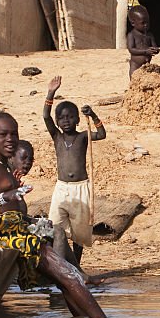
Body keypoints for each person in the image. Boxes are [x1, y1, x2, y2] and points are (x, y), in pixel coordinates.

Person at [0, 111, 106, 318]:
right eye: (3, 135)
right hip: (10, 236)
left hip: (19, 231)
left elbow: (15, 208)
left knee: (68, 280)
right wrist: (6, 196)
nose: (10, 140)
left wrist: (16, 195)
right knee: (69, 277)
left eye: (14, 134)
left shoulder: (4, 166)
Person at [43, 76, 105, 267]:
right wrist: (51, 93)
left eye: (70, 116)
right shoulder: (57, 137)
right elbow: (46, 116)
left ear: (78, 119)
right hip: (62, 188)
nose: (66, 121)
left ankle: (75, 266)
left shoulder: (82, 137)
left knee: (79, 232)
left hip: (81, 188)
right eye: (61, 118)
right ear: (57, 122)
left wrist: (93, 115)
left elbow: (102, 134)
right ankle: (58, 263)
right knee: (54, 225)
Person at [127, 5, 160, 78]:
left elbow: (154, 46)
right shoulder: (131, 35)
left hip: (147, 64)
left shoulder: (149, 35)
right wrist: (145, 51)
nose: (146, 25)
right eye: (143, 23)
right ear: (133, 23)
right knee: (134, 78)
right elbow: (131, 49)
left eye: (147, 22)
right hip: (136, 64)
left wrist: (155, 50)